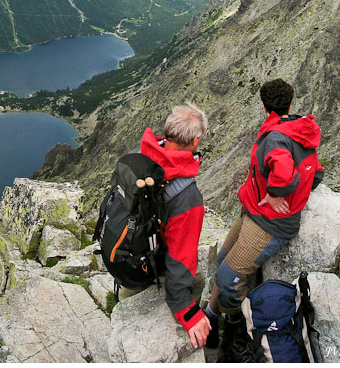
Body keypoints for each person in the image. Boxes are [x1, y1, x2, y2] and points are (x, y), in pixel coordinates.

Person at [207, 79, 322, 360]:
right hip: (253, 212)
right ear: (290, 104)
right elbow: (316, 173)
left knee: (228, 276)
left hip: (269, 224)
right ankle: (215, 314)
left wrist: (275, 193)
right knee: (222, 261)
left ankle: (237, 326)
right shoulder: (298, 128)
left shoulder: (275, 136)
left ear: (263, 106)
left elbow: (283, 171)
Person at [114, 103, 211, 348]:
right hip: (150, 266)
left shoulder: (138, 156)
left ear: (167, 131)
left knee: (125, 303)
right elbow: (182, 255)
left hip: (122, 256)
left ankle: (121, 301)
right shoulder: (186, 196)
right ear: (196, 141)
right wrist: (186, 311)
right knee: (198, 282)